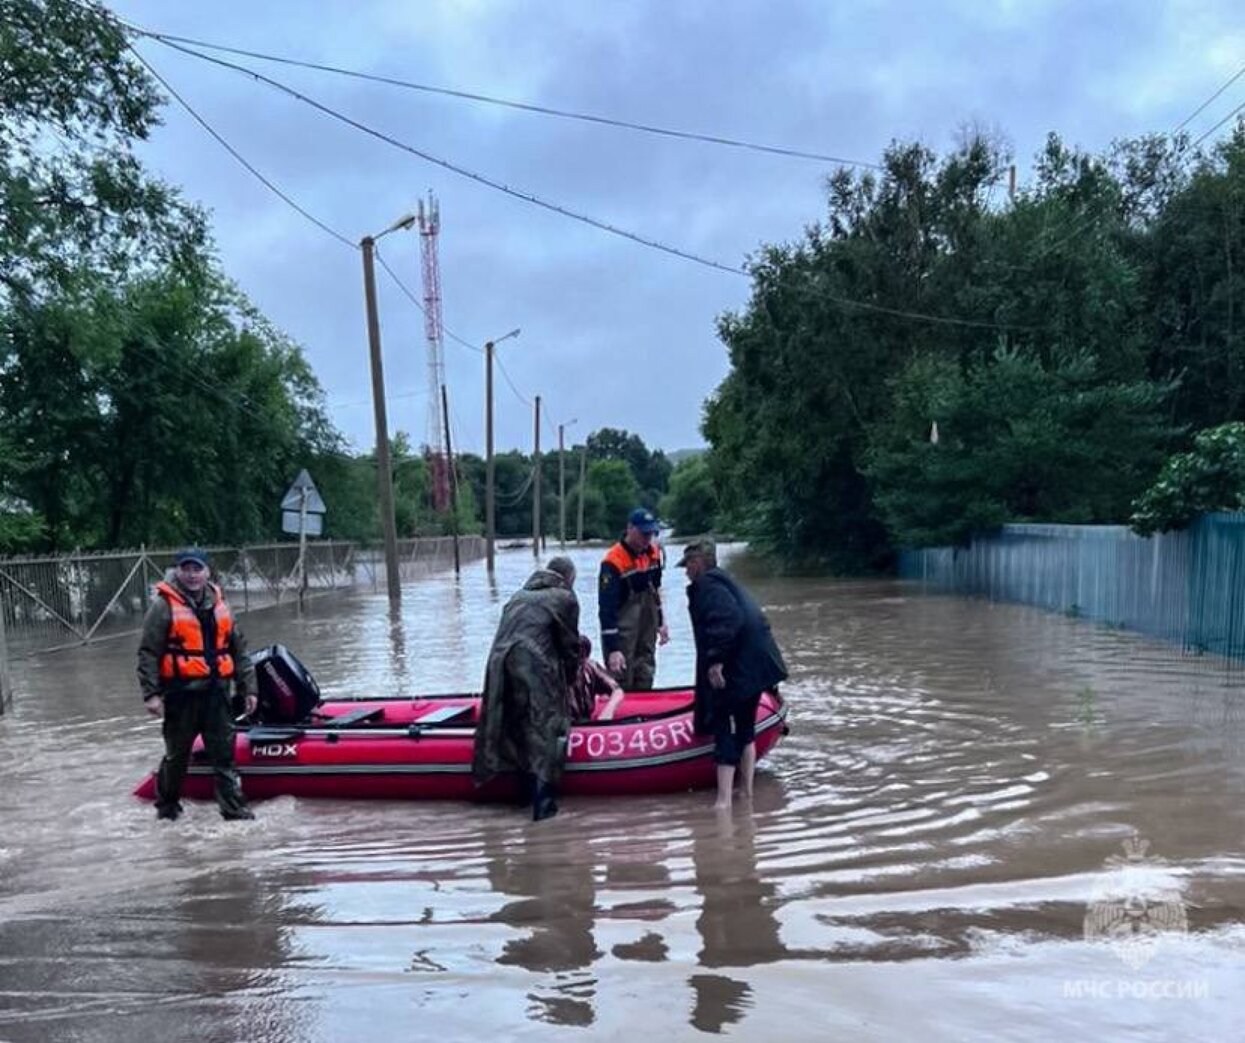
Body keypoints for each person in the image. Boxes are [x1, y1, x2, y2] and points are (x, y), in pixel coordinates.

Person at [138, 547, 257, 821]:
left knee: (224, 756)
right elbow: (148, 652)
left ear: (207, 572)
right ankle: (167, 809)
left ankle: (234, 811)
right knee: (177, 757)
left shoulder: (220, 604)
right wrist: (151, 695)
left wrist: (249, 688)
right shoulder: (163, 606)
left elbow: (239, 650)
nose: (192, 575)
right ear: (177, 571)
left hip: (217, 694)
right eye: (186, 569)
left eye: (197, 569)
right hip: (181, 696)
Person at [677, 539, 788, 811]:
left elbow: (727, 620)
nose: (686, 572)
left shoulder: (708, 586)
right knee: (746, 730)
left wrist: (715, 661)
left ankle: (723, 803)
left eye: (688, 566)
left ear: (697, 563)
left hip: (735, 669)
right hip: (755, 667)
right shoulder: (727, 582)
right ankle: (746, 795)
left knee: (724, 729)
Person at [472, 556, 581, 821]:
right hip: (533, 662)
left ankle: (521, 794)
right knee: (548, 728)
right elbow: (570, 645)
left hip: (499, 663)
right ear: (568, 579)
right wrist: (569, 681)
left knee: (515, 723)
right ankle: (544, 807)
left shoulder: (518, 597)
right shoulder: (564, 598)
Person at [599, 506, 669, 690]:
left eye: (651, 534)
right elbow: (606, 609)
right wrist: (612, 649)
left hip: (647, 625)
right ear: (630, 529)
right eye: (643, 534)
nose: (647, 539)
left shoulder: (654, 553)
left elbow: (656, 590)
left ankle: (645, 705)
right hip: (623, 631)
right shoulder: (613, 561)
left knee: (646, 668)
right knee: (621, 673)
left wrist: (661, 622)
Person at [567, 635, 624, 723]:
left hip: (585, 720)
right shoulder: (552, 673)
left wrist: (607, 712)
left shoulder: (590, 667)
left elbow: (617, 691)